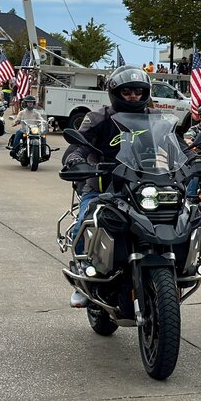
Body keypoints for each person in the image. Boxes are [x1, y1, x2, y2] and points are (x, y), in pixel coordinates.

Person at [62, 65, 153, 307]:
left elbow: (176, 144)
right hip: (103, 186)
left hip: (145, 185)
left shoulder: (155, 119)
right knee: (85, 221)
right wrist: (75, 158)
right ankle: (83, 275)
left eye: (138, 91)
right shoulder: (99, 117)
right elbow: (78, 145)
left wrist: (193, 159)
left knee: (182, 214)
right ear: (115, 92)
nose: (133, 96)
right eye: (127, 92)